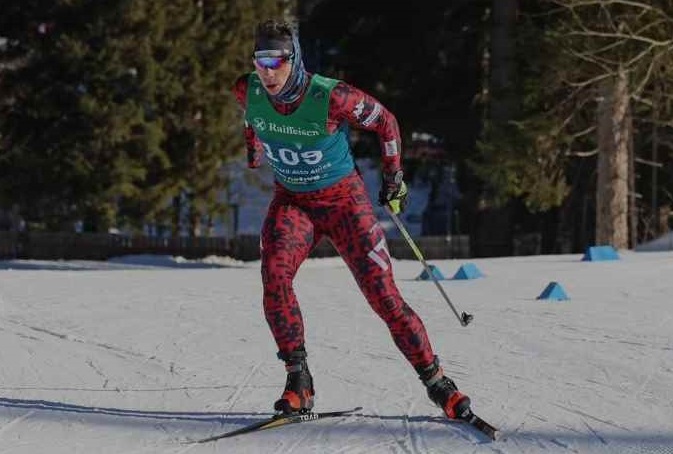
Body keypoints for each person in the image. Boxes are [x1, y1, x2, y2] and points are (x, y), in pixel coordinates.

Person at [231, 19, 472, 421]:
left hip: (344, 204)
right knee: (274, 277)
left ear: (296, 60)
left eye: (277, 60)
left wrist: (394, 177)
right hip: (294, 203)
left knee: (383, 295)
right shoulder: (248, 89)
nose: (268, 70)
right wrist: (253, 147)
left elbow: (386, 122)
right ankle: (298, 381)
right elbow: (252, 117)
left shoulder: (331, 96)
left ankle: (437, 381)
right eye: (261, 60)